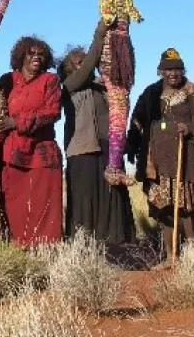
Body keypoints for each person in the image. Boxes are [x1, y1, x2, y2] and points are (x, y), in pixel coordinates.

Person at [126, 48, 194, 267]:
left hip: (185, 159)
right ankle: (171, 256)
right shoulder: (151, 93)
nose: (173, 74)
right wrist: (131, 144)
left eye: (177, 69)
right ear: (161, 71)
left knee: (186, 207)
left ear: (182, 70)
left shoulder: (193, 92)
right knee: (165, 208)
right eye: (168, 70)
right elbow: (137, 120)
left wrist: (190, 128)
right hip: (157, 161)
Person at [60, 22, 136, 246]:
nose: (84, 64)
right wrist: (100, 35)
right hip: (81, 150)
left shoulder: (103, 86)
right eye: (78, 62)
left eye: (85, 60)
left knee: (112, 196)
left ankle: (117, 243)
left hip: (107, 149)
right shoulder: (68, 85)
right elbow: (87, 68)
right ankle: (84, 245)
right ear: (68, 69)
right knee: (85, 199)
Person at [0, 36, 63, 248]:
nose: (36, 57)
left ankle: (45, 249)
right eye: (31, 53)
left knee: (44, 203)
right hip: (13, 151)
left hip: (41, 151)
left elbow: (52, 112)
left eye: (41, 54)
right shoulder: (8, 80)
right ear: (21, 56)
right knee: (14, 200)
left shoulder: (49, 81)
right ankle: (18, 246)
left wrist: (17, 122)